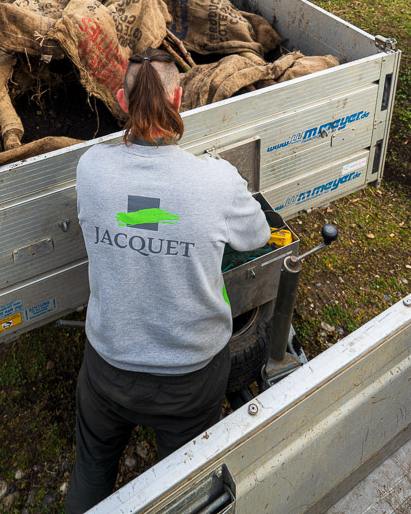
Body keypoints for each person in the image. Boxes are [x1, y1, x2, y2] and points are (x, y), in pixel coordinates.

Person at [66, 48, 270, 513]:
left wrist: (157, 219)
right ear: (179, 99)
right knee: (183, 494)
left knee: (92, 472)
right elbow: (257, 233)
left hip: (108, 371)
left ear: (121, 101)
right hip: (191, 378)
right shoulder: (216, 182)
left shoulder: (91, 170)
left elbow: (141, 214)